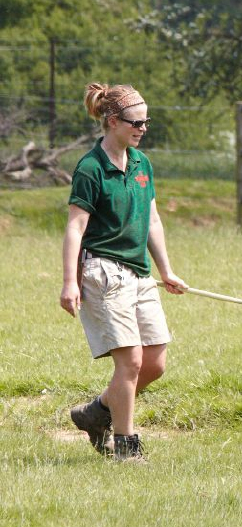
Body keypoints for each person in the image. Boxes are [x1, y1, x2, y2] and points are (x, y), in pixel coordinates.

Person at [59, 83, 186, 462]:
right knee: (129, 363)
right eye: (136, 122)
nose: (142, 128)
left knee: (154, 363)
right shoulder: (90, 168)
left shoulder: (142, 164)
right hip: (103, 272)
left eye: (146, 122)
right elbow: (74, 228)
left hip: (139, 273)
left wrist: (166, 270)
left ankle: (96, 412)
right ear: (112, 121)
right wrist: (69, 281)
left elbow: (152, 219)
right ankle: (126, 446)